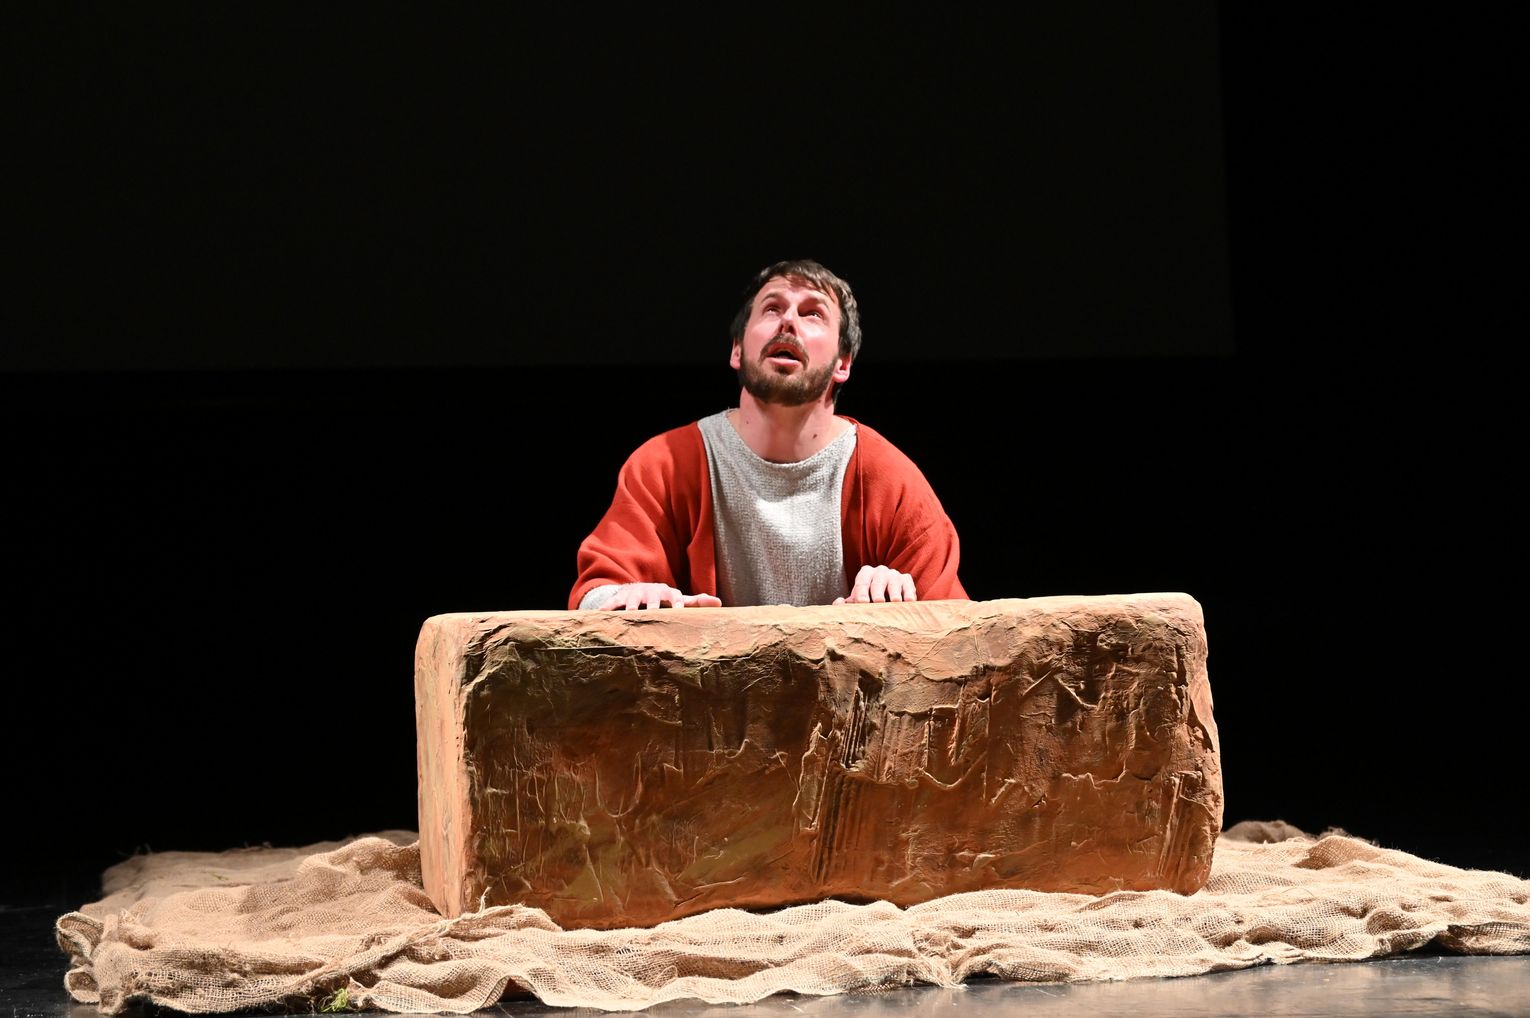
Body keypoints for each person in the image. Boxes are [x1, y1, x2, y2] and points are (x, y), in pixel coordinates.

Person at [569, 258, 967, 610]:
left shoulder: (888, 479)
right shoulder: (665, 465)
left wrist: (905, 605)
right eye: (772, 308)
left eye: (813, 313)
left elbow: (958, 631)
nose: (788, 321)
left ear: (843, 363)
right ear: (737, 349)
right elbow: (596, 595)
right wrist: (627, 600)